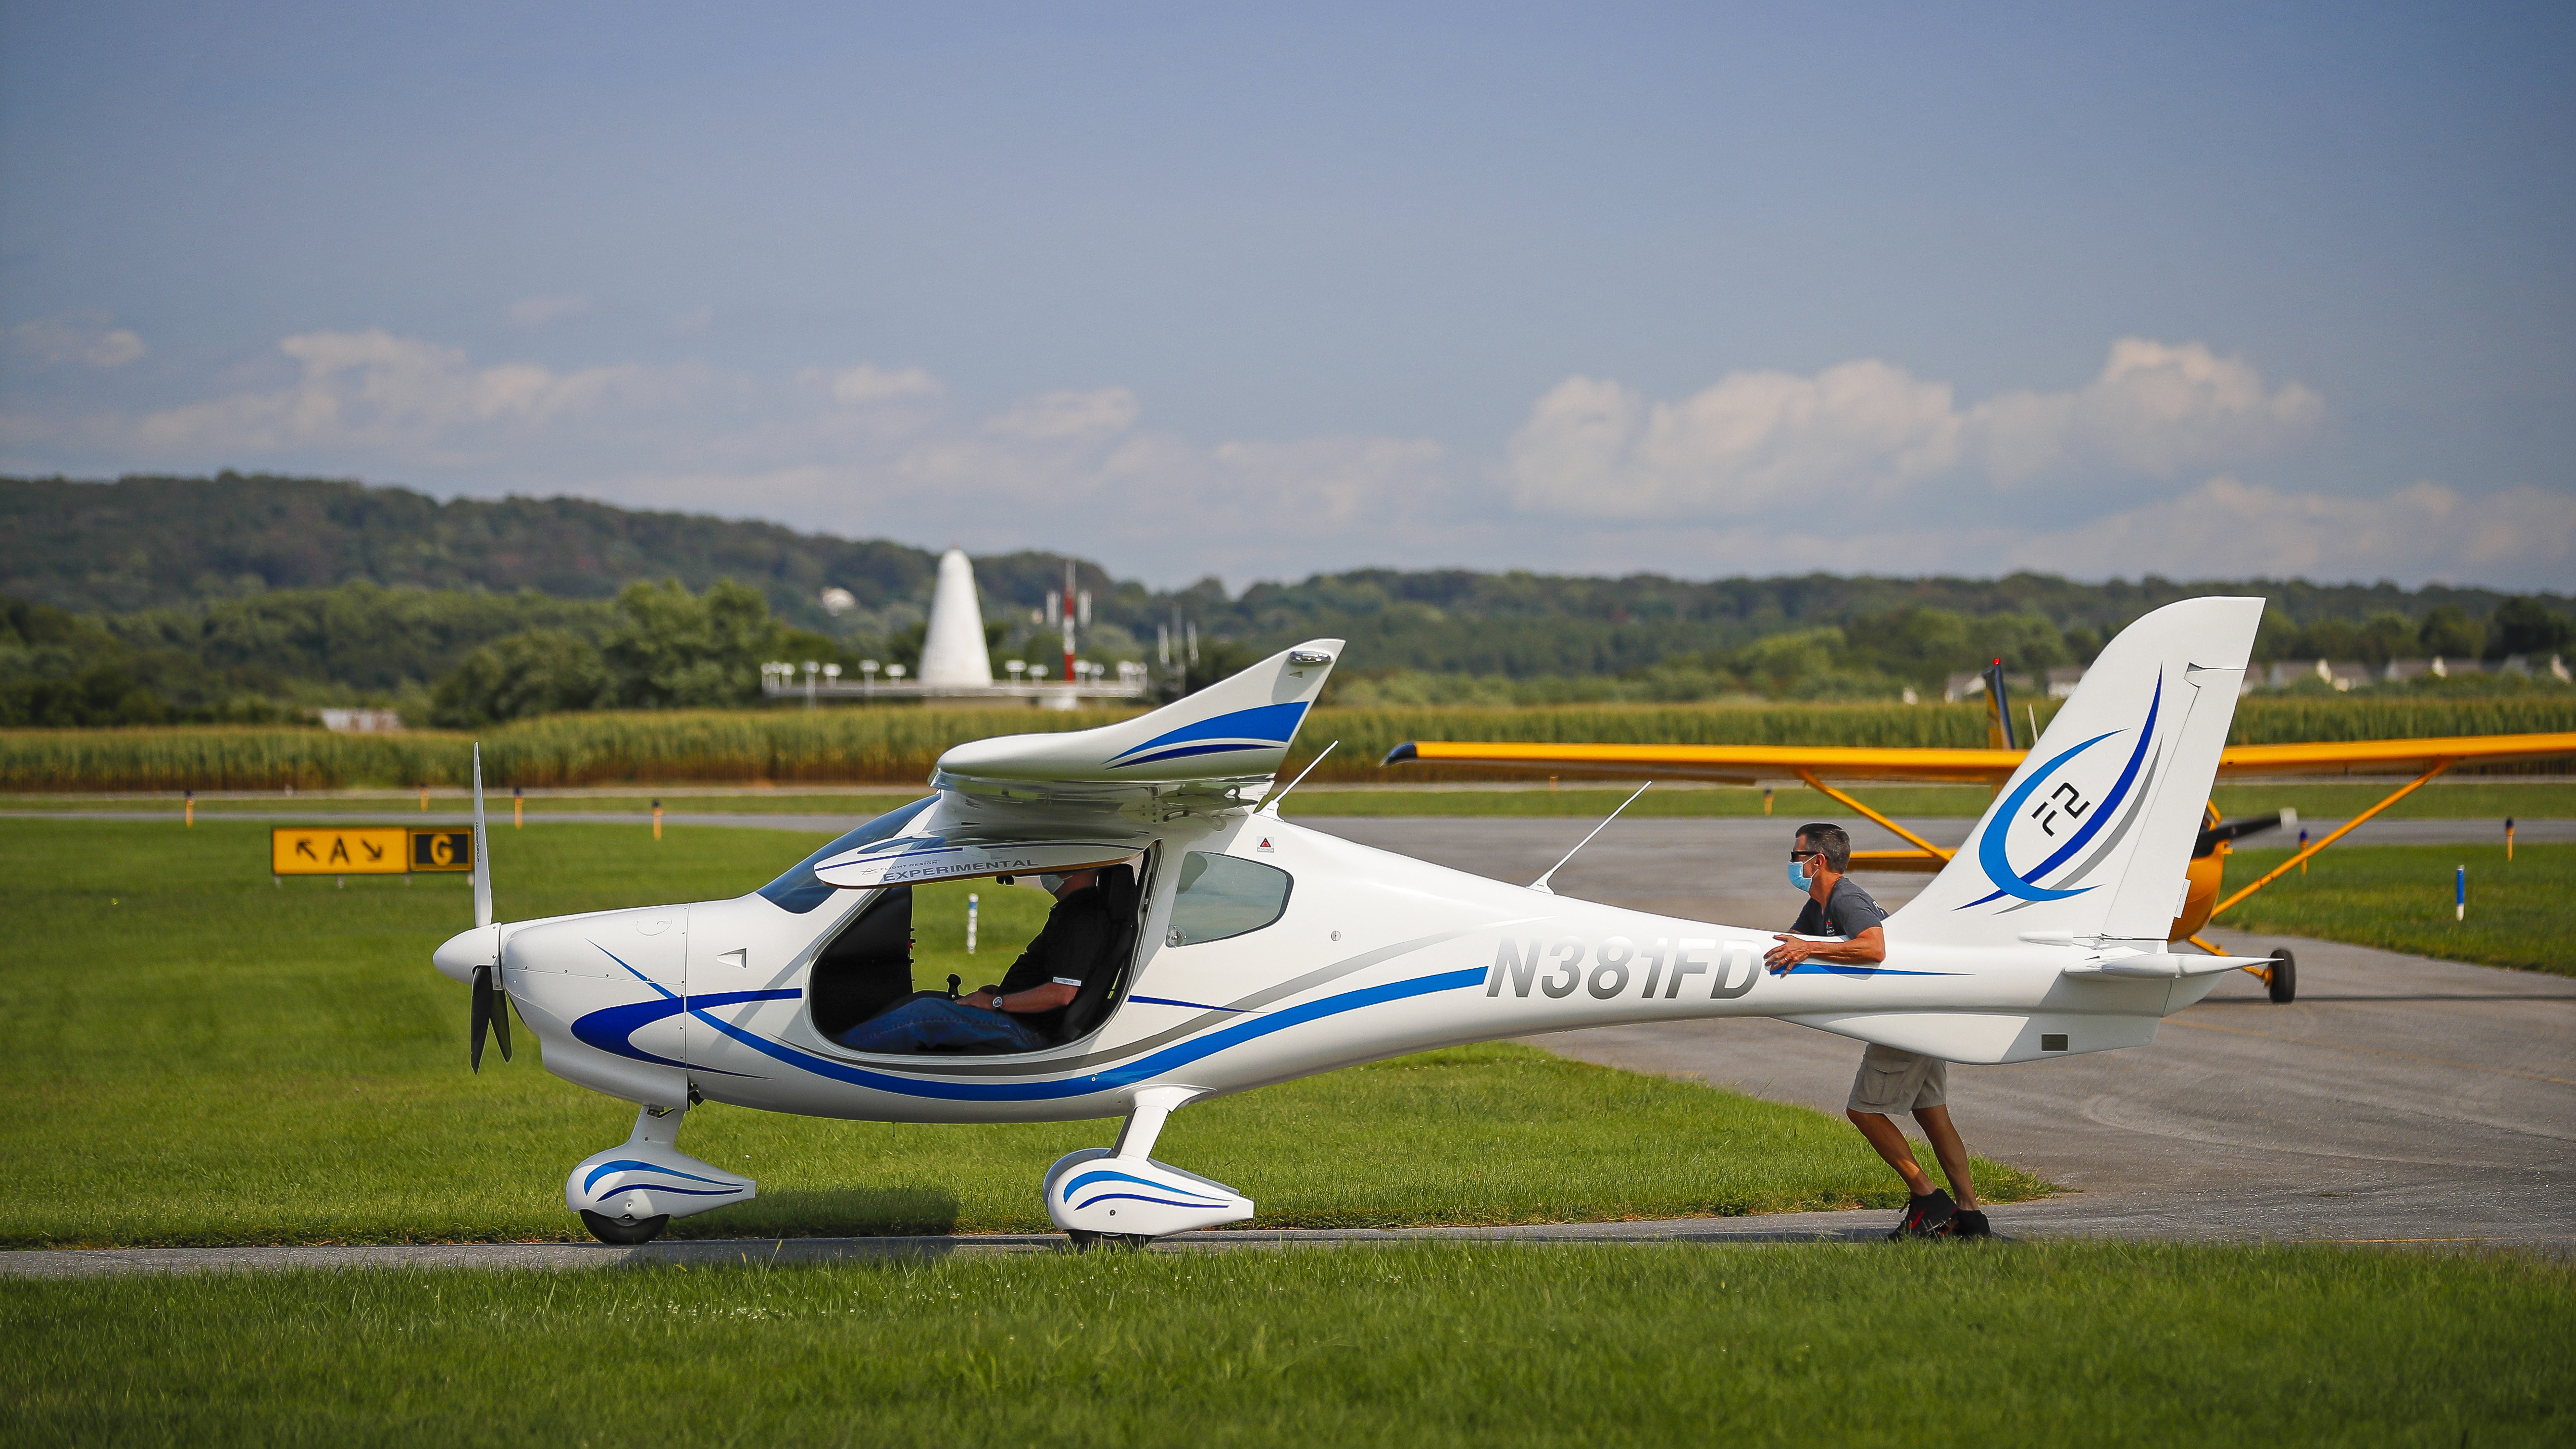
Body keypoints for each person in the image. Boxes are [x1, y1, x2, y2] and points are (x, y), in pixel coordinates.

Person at [1762, 823, 1990, 1240]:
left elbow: (1873, 947)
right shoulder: (1818, 904)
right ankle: (1971, 1218)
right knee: (1932, 1115)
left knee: (1863, 1111)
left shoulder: (1846, 898)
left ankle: (1928, 1199)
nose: (1791, 865)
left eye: (1796, 857)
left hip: (1903, 1014)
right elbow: (1793, 941)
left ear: (1818, 861)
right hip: (1921, 1009)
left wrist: (1811, 948)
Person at [837, 868, 1116, 1054]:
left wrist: (997, 1003)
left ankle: (838, 1056)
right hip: (1022, 1017)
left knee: (924, 1014)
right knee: (924, 999)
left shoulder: (1082, 918)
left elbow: (1062, 993)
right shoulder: (1075, 911)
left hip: (1031, 1031)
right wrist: (1007, 994)